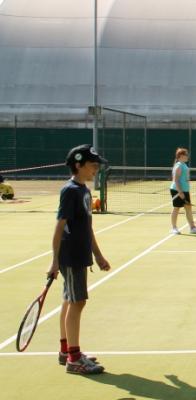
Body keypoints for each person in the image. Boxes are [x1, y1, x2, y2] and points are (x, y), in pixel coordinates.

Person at [47, 144, 110, 375]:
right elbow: (59, 226)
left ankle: (67, 351)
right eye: (92, 165)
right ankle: (74, 359)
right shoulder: (70, 190)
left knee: (69, 299)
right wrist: (54, 260)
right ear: (78, 165)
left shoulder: (84, 190)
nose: (96, 168)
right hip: (71, 256)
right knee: (77, 302)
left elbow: (87, 227)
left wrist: (98, 255)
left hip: (80, 254)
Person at [169, 148, 196, 235]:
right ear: (180, 156)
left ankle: (192, 228)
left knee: (188, 208)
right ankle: (174, 228)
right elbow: (176, 180)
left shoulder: (184, 165)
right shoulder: (179, 166)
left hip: (185, 190)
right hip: (177, 190)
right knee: (176, 208)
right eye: (186, 155)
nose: (187, 156)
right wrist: (180, 192)